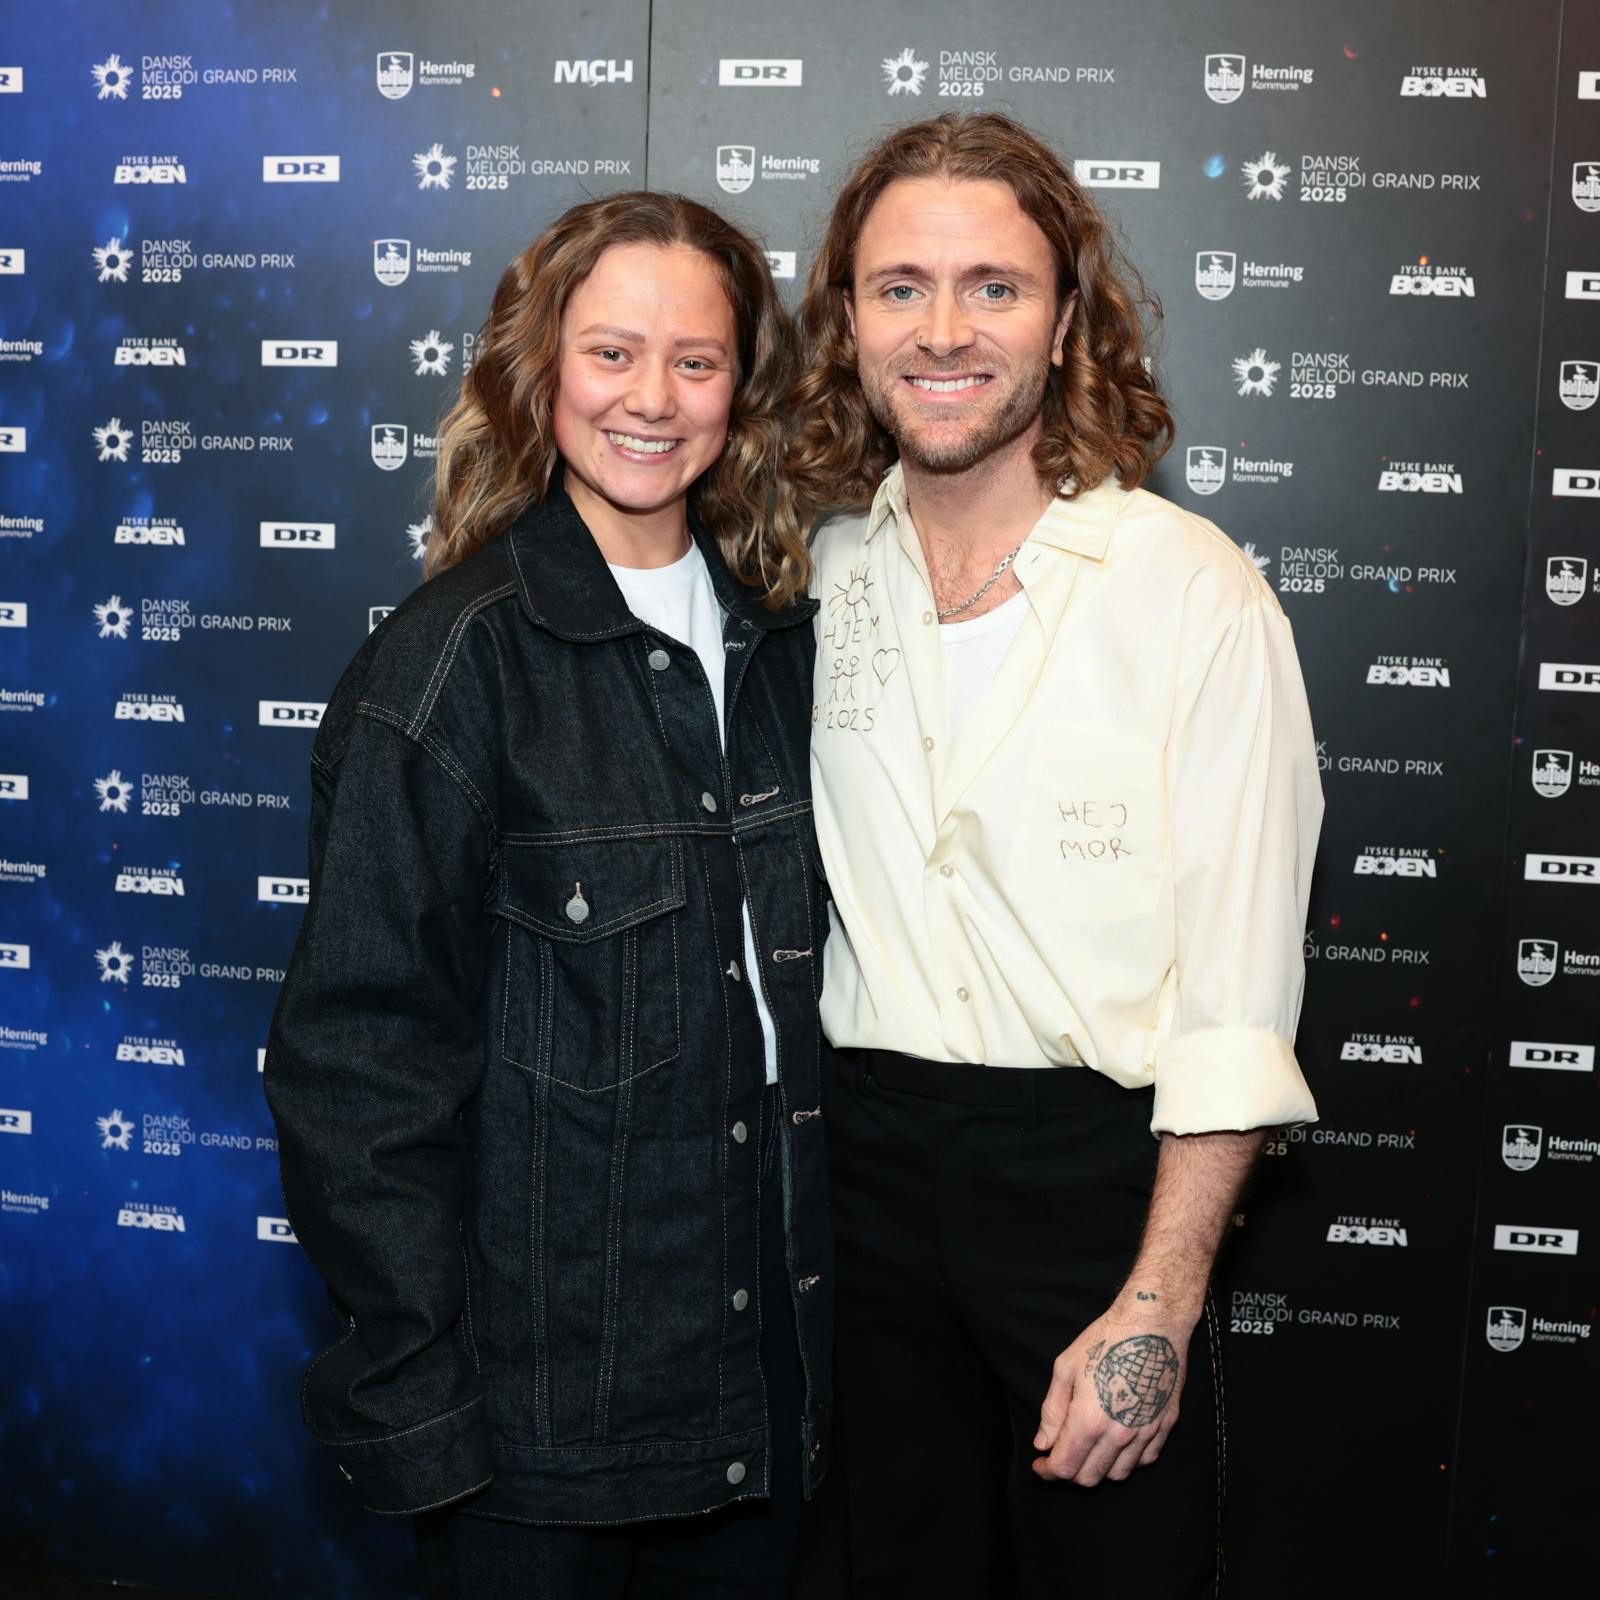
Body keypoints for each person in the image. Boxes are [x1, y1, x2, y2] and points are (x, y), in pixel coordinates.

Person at [263, 191, 833, 1600]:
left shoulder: (793, 649)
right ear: (542, 372)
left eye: (696, 362)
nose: (653, 399)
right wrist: (422, 1411)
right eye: (612, 354)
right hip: (535, 1441)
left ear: (740, 393)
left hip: (766, 1401)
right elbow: (358, 1072)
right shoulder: (453, 665)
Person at [786, 112, 1324, 1597]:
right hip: (858, 1175)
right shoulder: (822, 569)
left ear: (1068, 315)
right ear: (846, 317)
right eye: (900, 287)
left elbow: (1233, 1012)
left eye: (993, 287)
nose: (944, 331)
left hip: (1096, 1189)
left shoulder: (1196, 597)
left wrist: (1159, 1299)